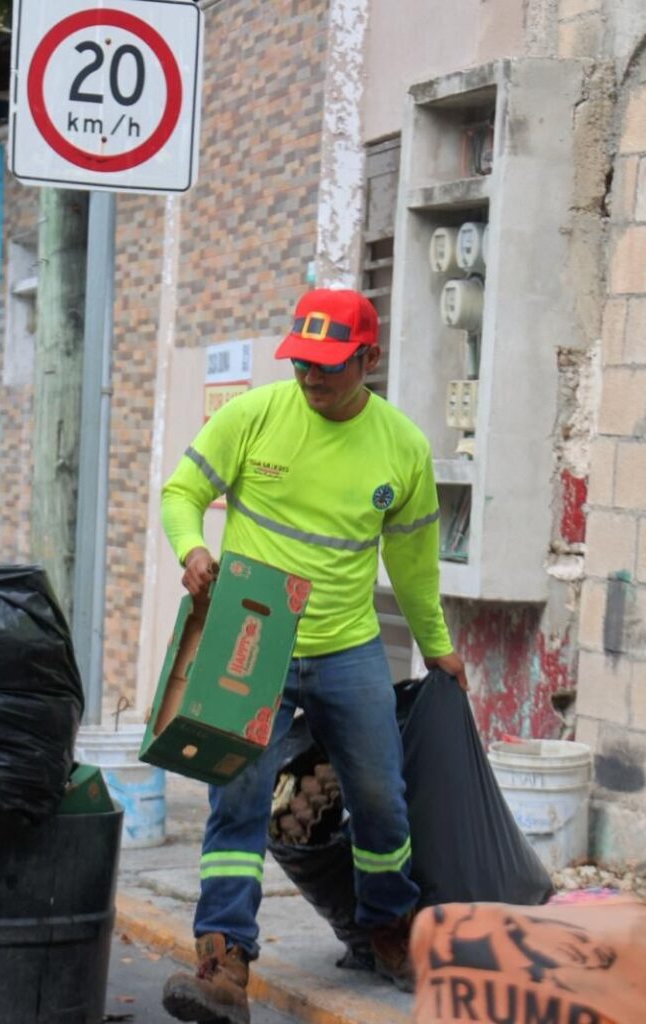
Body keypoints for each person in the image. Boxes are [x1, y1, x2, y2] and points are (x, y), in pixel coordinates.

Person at [159, 287, 466, 1024]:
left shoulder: (402, 447)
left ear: (370, 357)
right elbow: (182, 491)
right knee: (234, 801)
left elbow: (416, 566)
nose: (310, 377)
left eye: (328, 365)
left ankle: (387, 928)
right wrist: (192, 546)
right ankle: (224, 959)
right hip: (250, 639)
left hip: (348, 645)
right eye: (301, 361)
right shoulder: (254, 416)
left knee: (381, 800)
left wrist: (438, 650)